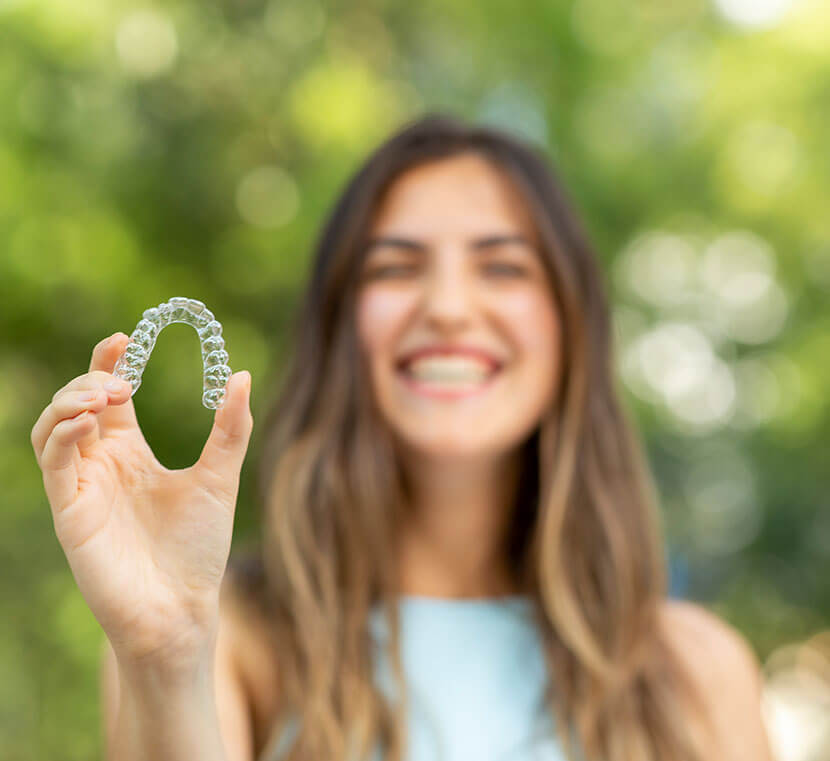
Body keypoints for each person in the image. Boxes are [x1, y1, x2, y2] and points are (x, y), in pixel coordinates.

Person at [31, 114, 774, 761]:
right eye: (396, 265)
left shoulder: (699, 672)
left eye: (503, 265)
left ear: (571, 325)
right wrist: (165, 659)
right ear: (341, 328)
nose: (448, 306)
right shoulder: (223, 641)